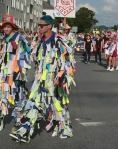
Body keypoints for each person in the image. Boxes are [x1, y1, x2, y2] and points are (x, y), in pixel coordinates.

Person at [9, 15, 76, 143]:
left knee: (58, 105)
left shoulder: (58, 41)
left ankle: (65, 128)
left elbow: (66, 61)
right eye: (38, 26)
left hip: (54, 79)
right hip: (40, 79)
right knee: (33, 103)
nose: (39, 28)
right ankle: (24, 131)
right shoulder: (39, 41)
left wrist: (61, 77)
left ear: (49, 26)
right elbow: (33, 57)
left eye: (41, 25)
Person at [0, 15, 31, 133]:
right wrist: (0, 70)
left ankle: (20, 119)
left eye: (8, 27)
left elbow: (25, 56)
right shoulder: (5, 39)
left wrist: (20, 71)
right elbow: (4, 57)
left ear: (13, 28)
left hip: (15, 74)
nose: (6, 29)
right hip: (4, 73)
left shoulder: (19, 38)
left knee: (17, 96)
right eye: (5, 27)